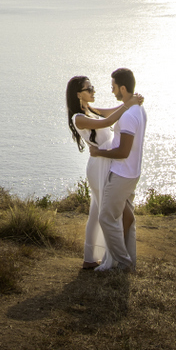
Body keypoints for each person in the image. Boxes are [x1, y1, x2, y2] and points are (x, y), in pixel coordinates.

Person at [66, 76, 144, 271]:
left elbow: (111, 113)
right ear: (78, 94)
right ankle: (115, 257)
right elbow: (109, 121)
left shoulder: (90, 111)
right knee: (108, 213)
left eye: (92, 87)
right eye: (89, 89)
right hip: (99, 165)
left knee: (96, 213)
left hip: (106, 162)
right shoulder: (79, 118)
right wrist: (129, 104)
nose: (93, 91)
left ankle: (90, 258)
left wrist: (129, 102)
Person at [88, 67, 145, 273]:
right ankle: (126, 259)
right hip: (132, 174)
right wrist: (88, 108)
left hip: (122, 175)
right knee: (127, 217)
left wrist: (98, 152)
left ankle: (123, 262)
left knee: (106, 217)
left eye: (113, 87)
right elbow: (108, 114)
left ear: (122, 87)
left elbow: (123, 151)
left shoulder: (129, 116)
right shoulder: (135, 108)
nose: (112, 90)